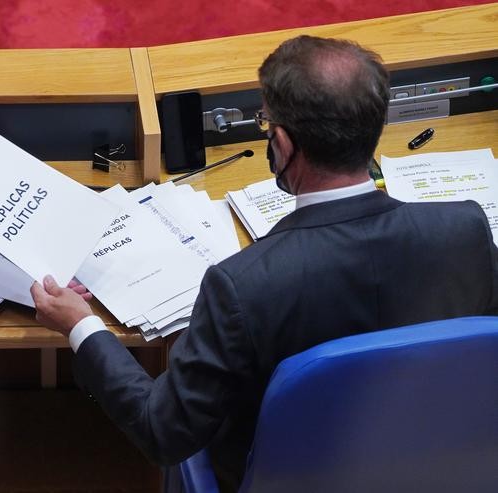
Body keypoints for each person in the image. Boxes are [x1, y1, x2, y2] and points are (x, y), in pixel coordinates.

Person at [31, 35, 498, 490]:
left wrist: (81, 326)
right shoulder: (466, 232)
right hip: (440, 466)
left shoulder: (243, 285)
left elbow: (163, 430)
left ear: (283, 143)